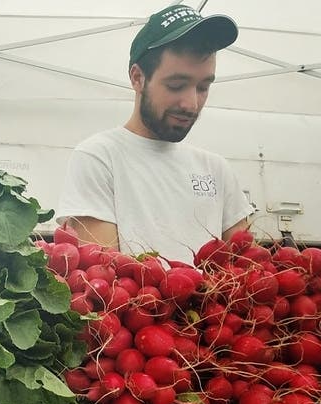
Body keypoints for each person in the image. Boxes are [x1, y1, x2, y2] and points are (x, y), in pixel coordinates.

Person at [56, 4, 253, 265]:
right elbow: (102, 274)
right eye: (176, 85)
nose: (191, 104)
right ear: (137, 78)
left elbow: (249, 269)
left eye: (203, 87)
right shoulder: (99, 157)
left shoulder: (217, 169)